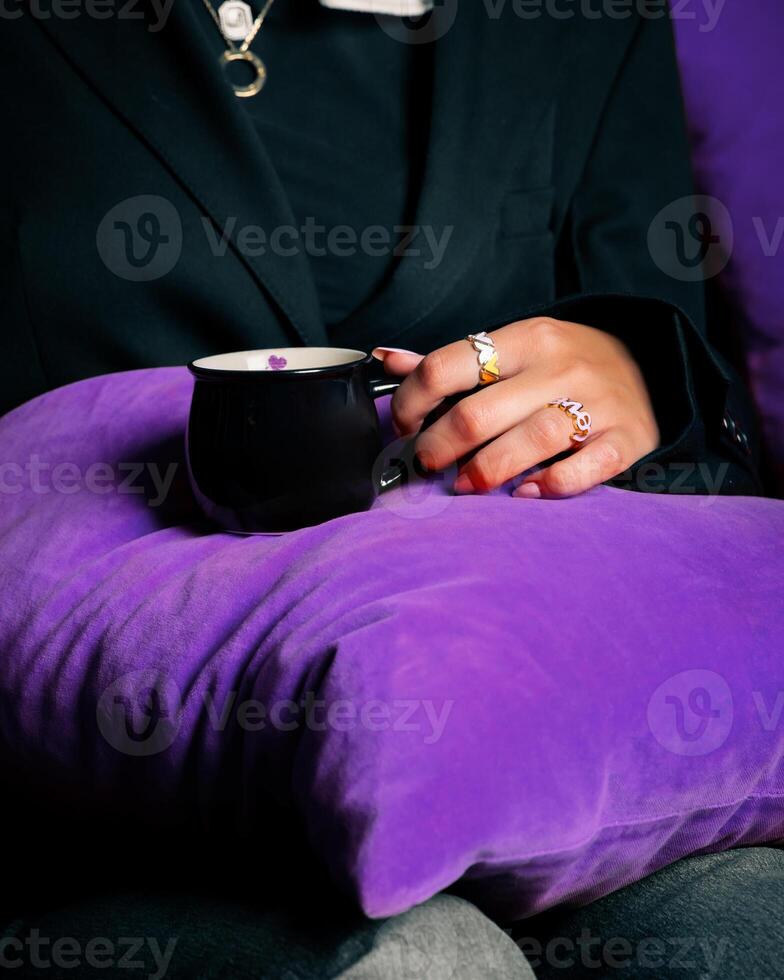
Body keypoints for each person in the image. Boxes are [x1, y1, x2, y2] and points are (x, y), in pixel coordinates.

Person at [1, 0, 777, 976]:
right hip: (93, 813)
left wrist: (637, 372)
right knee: (420, 961)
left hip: (554, 744)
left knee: (758, 929)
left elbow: (699, 466)